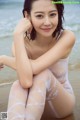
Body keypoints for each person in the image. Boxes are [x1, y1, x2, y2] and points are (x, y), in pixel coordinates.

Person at [0, 0, 76, 119]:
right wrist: (17, 35)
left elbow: (36, 68)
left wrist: (4, 59)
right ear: (27, 16)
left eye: (52, 14)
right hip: (33, 105)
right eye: (39, 16)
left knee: (43, 74)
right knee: (17, 85)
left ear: (59, 14)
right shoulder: (20, 43)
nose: (47, 22)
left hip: (61, 103)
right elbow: (26, 81)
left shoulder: (67, 37)